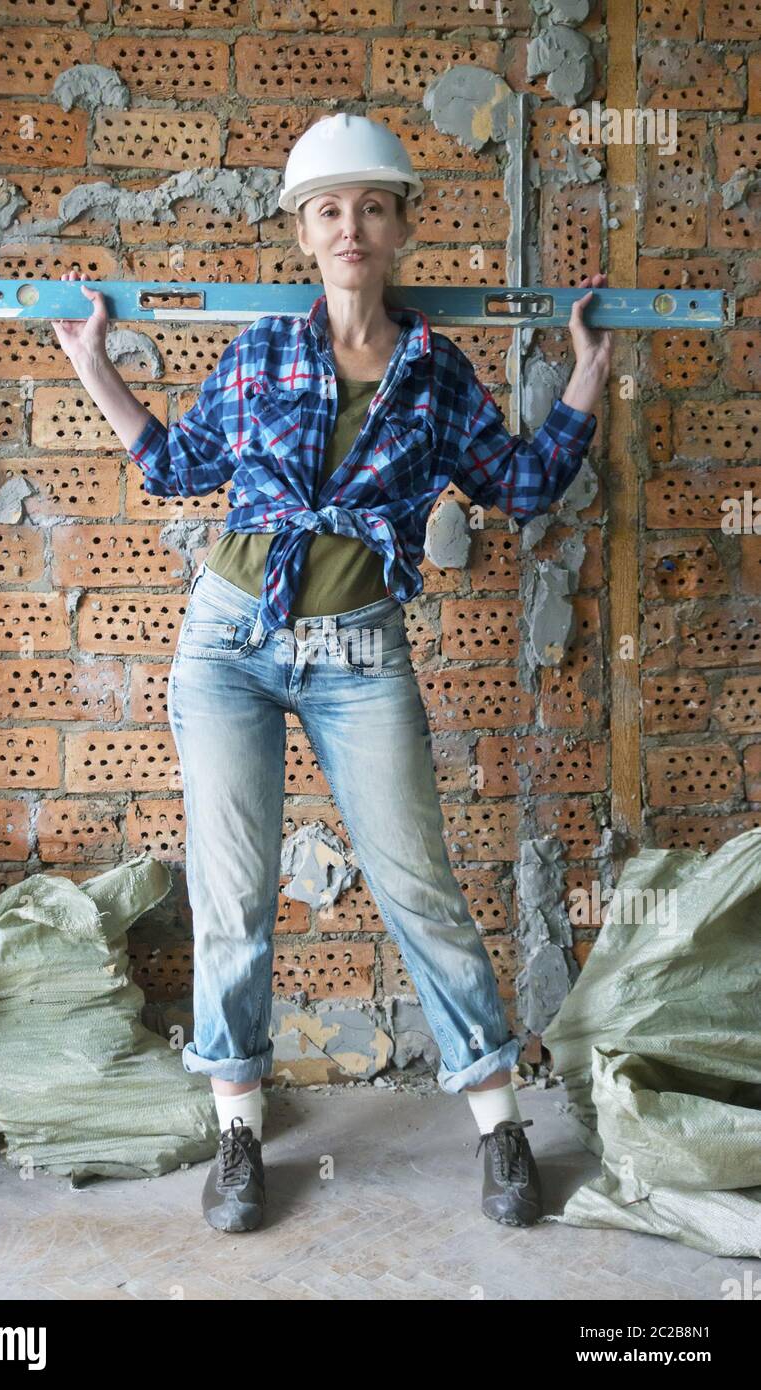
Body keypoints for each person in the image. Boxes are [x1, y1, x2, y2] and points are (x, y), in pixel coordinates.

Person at [51, 113, 611, 1236]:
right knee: (234, 899)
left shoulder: (434, 370)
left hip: (358, 651)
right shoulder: (261, 353)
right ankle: (240, 1138)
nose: (348, 226)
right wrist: (93, 365)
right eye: (326, 210)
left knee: (418, 889)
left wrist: (588, 373)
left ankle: (499, 1127)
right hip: (227, 646)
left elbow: (518, 483)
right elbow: (175, 465)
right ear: (302, 234)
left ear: (401, 226)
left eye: (369, 207)